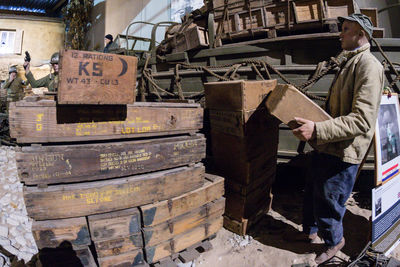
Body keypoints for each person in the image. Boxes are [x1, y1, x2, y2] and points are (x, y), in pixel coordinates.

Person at [291, 13, 384, 264]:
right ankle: (310, 233)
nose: (339, 34)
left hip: (344, 150)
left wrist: (318, 130)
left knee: (330, 201)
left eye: (345, 29)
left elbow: (362, 120)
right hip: (330, 144)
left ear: (361, 34)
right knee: (313, 191)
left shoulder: (369, 66)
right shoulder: (350, 61)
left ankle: (334, 243)